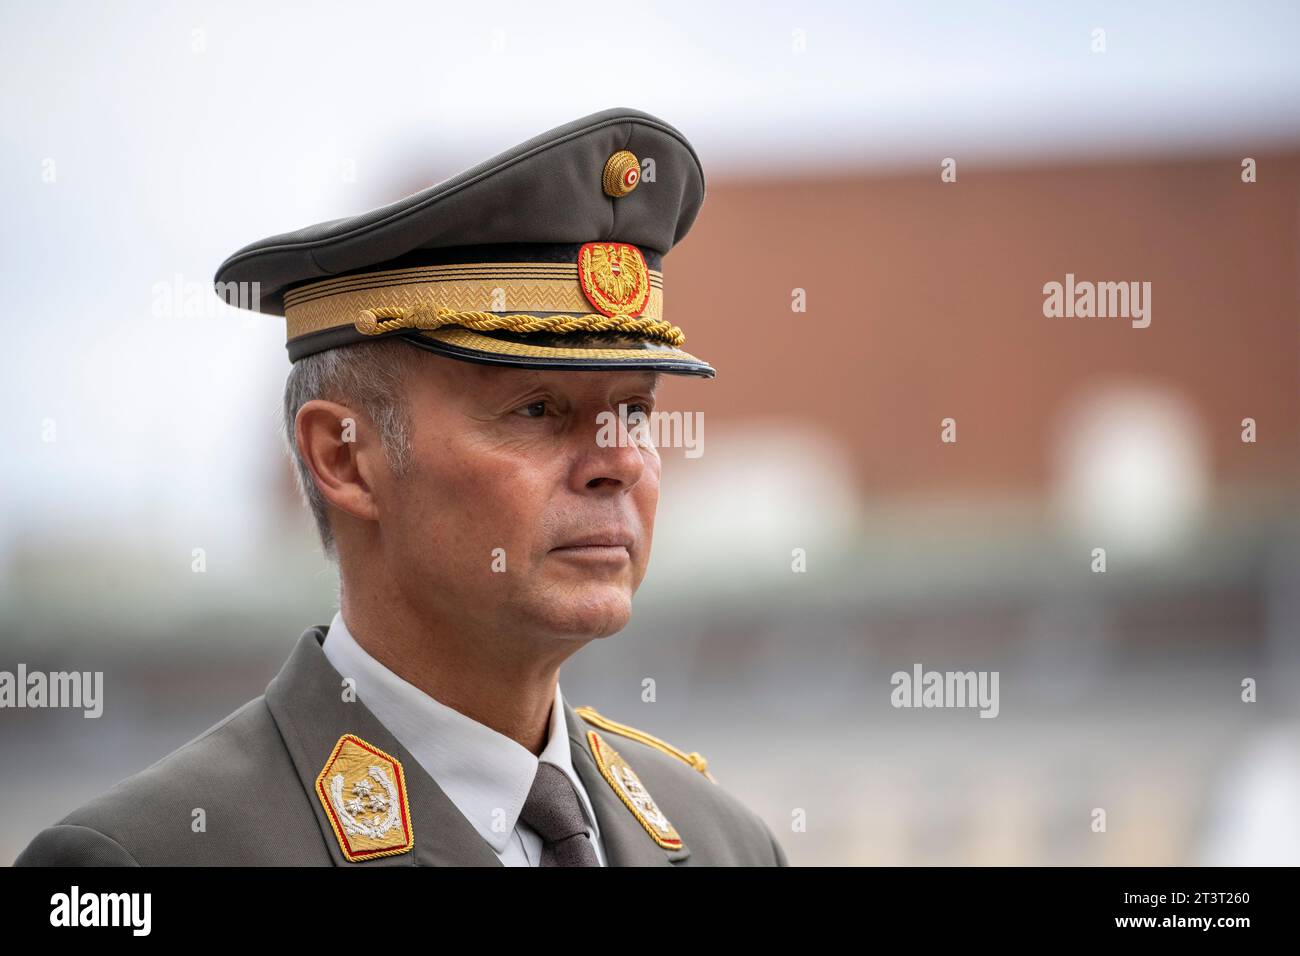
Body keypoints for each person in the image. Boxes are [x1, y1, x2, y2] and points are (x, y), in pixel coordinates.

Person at [15, 107, 788, 867]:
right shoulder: (144, 859)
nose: (617, 460)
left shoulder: (727, 842)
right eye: (538, 408)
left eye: (634, 409)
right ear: (345, 458)